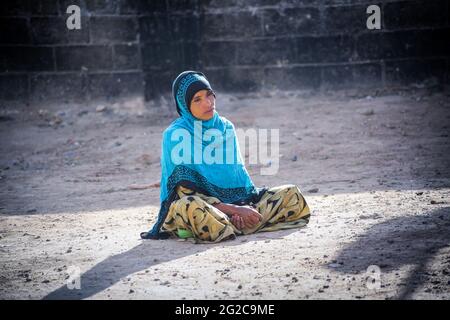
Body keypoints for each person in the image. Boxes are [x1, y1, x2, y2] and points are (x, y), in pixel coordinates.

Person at [140, 71, 310, 243]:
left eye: (209, 95)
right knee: (190, 206)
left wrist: (243, 207)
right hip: (203, 207)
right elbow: (185, 193)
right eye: (197, 99)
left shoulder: (225, 127)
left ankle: (232, 225)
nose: (207, 103)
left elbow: (238, 178)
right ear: (184, 105)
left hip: (234, 207)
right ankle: (242, 222)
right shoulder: (175, 135)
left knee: (291, 194)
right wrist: (233, 209)